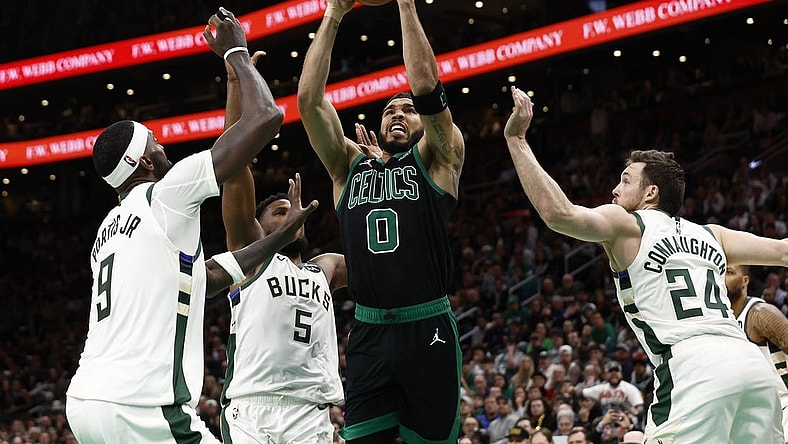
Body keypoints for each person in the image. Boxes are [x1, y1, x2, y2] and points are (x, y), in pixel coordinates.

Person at [503, 85, 785, 442]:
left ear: (651, 193)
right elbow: (782, 252)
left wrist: (516, 139)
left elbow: (559, 214)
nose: (614, 191)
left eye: (624, 180)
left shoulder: (628, 224)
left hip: (694, 368)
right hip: (752, 368)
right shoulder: (712, 234)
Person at [64, 8, 288, 442]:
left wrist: (277, 238)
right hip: (141, 407)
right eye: (155, 143)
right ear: (145, 162)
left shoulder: (106, 233)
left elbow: (206, 277)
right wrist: (237, 53)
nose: (163, 145)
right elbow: (266, 118)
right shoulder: (166, 193)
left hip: (85, 403)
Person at [297, 0, 466, 441]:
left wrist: (406, 4)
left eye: (407, 109)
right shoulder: (348, 168)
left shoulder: (438, 159)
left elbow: (427, 85)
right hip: (368, 331)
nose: (396, 113)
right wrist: (334, 12)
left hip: (426, 324)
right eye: (389, 109)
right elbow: (309, 102)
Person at [217, 51, 347, 442]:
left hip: (311, 412)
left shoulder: (326, 268)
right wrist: (237, 84)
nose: (290, 213)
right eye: (278, 211)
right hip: (252, 410)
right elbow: (233, 170)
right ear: (258, 226)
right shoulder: (251, 258)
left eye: (293, 209)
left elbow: (386, 257)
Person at [726, 264, 788, 443]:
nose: (721, 278)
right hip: (747, 413)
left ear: (745, 280)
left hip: (781, 404)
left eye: (729, 272)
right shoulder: (719, 320)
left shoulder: (760, 314)